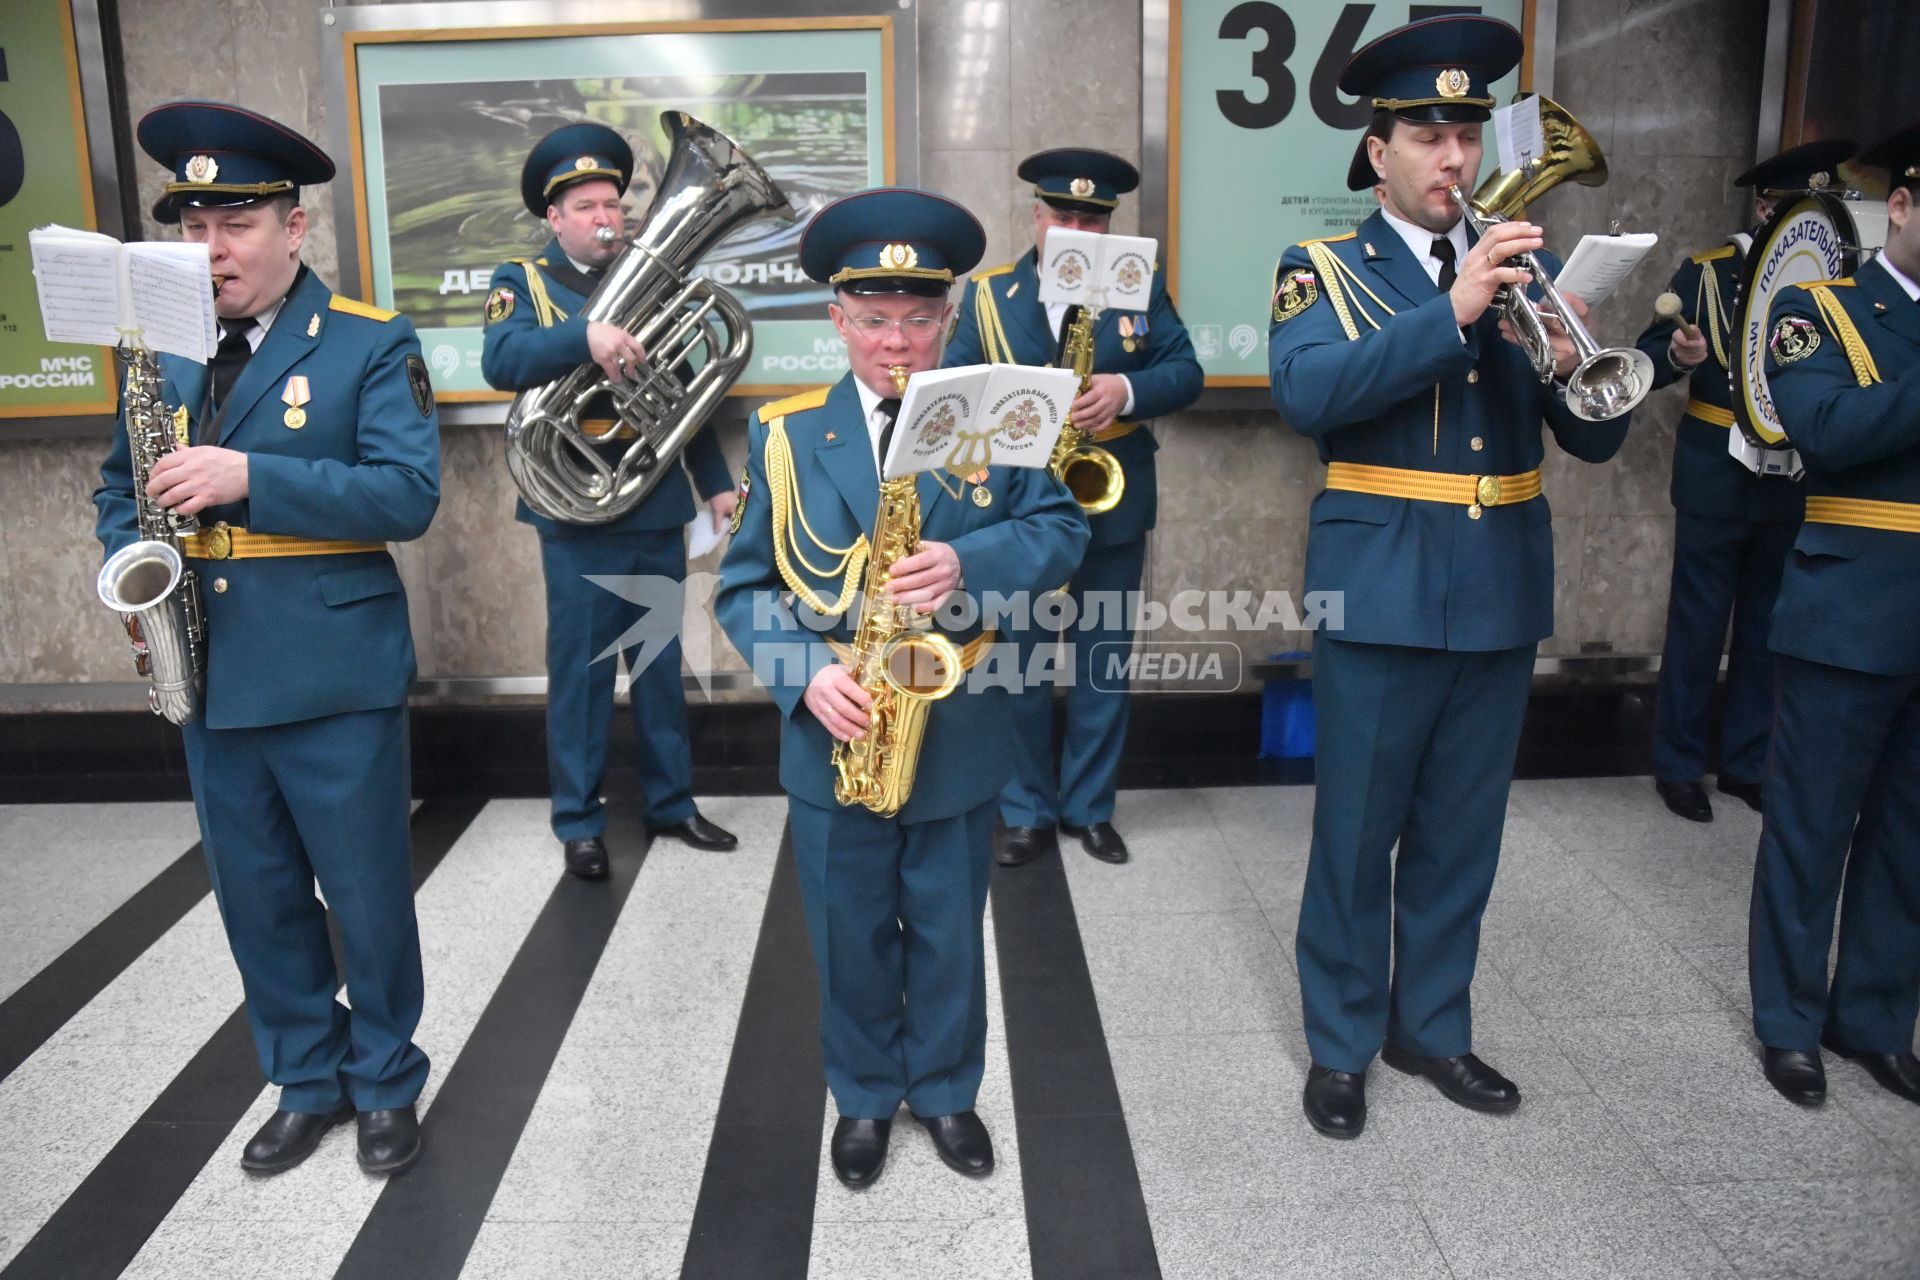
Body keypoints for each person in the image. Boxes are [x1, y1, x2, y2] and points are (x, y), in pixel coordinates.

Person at [1266, 16, 1633, 1139]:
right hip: (1378, 586)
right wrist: (1456, 308)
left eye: (1468, 134)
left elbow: (1600, 441)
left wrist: (1572, 365)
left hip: (1498, 584)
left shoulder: (1535, 265)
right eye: (1429, 134)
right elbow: (1312, 396)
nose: (1455, 159)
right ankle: (1340, 1041)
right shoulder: (1321, 269)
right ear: (1378, 152)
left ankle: (1430, 1023)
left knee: (1461, 831)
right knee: (1356, 831)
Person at [94, 101, 441, 1175]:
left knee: (369, 893)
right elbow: (120, 485)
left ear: (295, 230)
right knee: (258, 894)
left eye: (235, 223)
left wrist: (254, 478)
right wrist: (125, 561)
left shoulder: (371, 342)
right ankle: (306, 1074)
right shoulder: (161, 356)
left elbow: (407, 492)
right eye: (194, 225)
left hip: (334, 670)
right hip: (212, 668)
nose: (212, 249)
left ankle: (386, 1078)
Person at [715, 188, 1087, 1187]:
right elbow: (744, 587)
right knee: (849, 932)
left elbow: (1062, 531)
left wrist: (969, 565)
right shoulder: (787, 435)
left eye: (918, 317)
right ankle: (867, 1093)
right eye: (873, 319)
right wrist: (804, 675)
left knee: (950, 924)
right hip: (836, 722)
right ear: (836, 320)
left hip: (959, 722)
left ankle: (949, 1088)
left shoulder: (997, 416)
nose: (896, 342)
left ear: (949, 316)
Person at [482, 122, 738, 880]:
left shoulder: (653, 277)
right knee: (584, 674)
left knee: (660, 668)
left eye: (613, 204)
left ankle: (672, 804)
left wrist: (717, 483)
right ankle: (579, 822)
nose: (605, 218)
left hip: (653, 504)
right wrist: (583, 338)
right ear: (553, 218)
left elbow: (688, 395)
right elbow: (501, 360)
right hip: (573, 511)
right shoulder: (520, 282)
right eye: (586, 206)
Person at [943, 149, 1202, 868]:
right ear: (1036, 218)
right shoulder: (991, 297)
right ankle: (1024, 809)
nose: (1078, 229)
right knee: (1019, 668)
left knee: (1103, 666)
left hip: (1111, 499)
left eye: (1094, 218)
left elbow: (1185, 372)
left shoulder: (1136, 286)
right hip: (1021, 511)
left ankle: (1090, 809)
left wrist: (1126, 391)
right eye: (1064, 215)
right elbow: (952, 388)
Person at [1748, 122, 1920, 1110]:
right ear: (1899, 206)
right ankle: (1790, 1021)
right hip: (1848, 607)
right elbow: (1823, 429)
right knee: (1811, 828)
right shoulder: (1817, 309)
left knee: (1909, 833)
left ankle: (1877, 1017)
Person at [1636, 141, 1853, 823]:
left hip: (1789, 477)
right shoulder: (1708, 272)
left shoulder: (1833, 286)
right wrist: (1677, 353)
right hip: (1716, 473)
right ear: (1764, 208)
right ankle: (1676, 765)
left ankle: (1745, 763)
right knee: (1698, 626)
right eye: (1794, 208)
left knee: (1766, 629)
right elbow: (1646, 356)